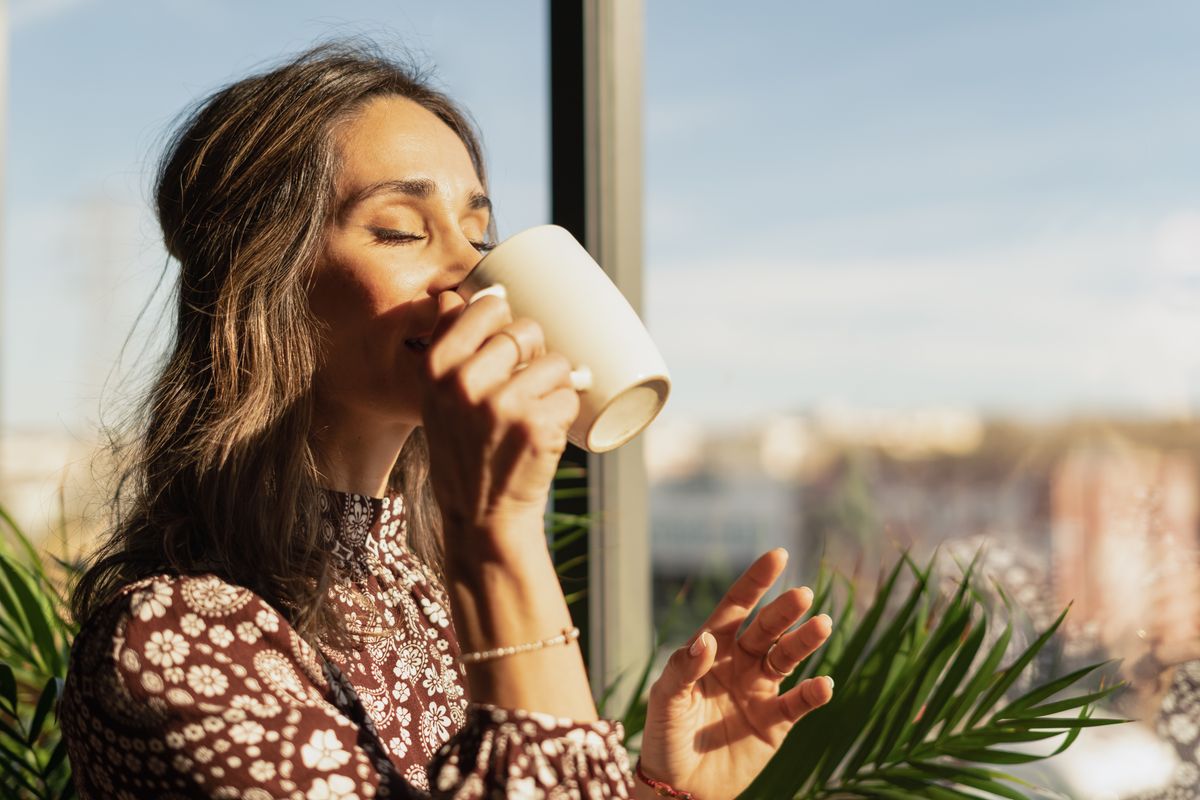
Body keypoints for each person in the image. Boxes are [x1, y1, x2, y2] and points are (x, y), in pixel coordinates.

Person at [59, 42, 835, 799]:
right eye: (400, 229)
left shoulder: (421, 582)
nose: (472, 272)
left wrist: (660, 789)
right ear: (265, 282)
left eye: (478, 232)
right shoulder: (172, 641)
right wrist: (497, 533)